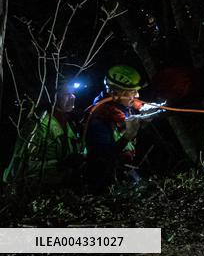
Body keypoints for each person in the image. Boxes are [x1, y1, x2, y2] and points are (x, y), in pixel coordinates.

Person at [4, 83, 83, 186]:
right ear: (54, 96)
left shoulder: (68, 122)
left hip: (58, 187)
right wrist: (60, 165)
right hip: (34, 190)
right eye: (66, 93)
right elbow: (21, 167)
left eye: (72, 93)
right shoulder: (39, 124)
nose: (72, 97)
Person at [83, 65, 146, 193]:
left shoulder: (118, 109)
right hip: (107, 184)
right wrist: (128, 135)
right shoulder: (99, 117)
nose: (137, 95)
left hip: (124, 173)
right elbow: (102, 158)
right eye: (133, 91)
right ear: (118, 93)